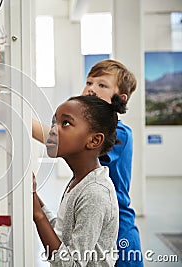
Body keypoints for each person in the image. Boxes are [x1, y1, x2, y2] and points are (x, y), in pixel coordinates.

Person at [33, 59, 143, 266]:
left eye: (102, 85)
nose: (91, 89)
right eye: (89, 82)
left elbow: (58, 140)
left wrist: (22, 121)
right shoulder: (80, 181)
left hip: (118, 236)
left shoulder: (120, 134)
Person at [33, 94, 126, 266]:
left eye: (65, 123)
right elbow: (63, 233)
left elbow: (73, 264)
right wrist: (35, 198)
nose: (53, 130)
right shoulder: (80, 180)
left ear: (94, 140)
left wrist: (38, 215)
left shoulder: (95, 193)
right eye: (54, 122)